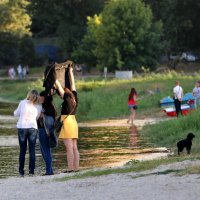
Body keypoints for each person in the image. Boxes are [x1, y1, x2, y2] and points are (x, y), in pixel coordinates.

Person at [54, 65, 79, 173]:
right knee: (74, 147)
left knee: (69, 148)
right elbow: (72, 83)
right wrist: (70, 71)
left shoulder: (66, 97)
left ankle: (70, 169)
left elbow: (59, 86)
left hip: (67, 123)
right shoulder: (74, 96)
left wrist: (53, 77)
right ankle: (76, 168)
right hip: (74, 122)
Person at [14, 90, 41, 176]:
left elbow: (15, 113)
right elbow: (36, 118)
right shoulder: (38, 106)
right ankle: (31, 171)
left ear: (29, 95)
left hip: (22, 127)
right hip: (32, 128)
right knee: (32, 150)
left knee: (22, 151)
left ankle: (21, 172)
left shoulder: (22, 102)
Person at [37, 91, 56, 175]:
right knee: (46, 150)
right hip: (49, 131)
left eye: (41, 96)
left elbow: (39, 117)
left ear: (44, 97)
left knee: (45, 151)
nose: (39, 97)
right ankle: (50, 170)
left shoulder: (44, 108)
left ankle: (49, 171)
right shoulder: (51, 107)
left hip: (43, 130)